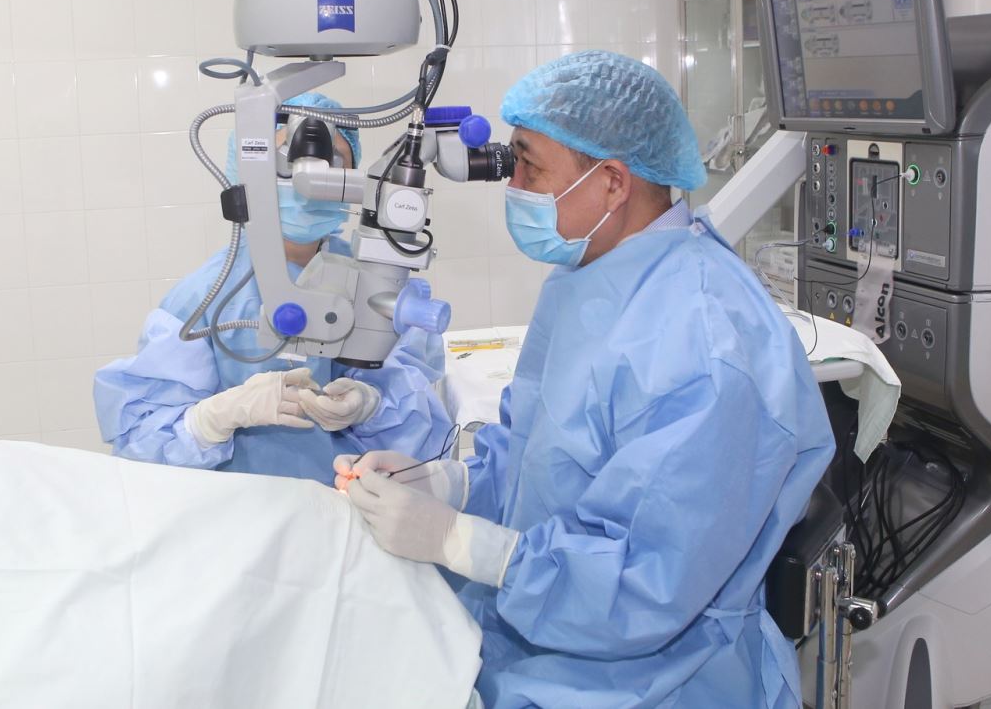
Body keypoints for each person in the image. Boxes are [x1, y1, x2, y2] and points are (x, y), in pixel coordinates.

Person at [335, 51, 835, 707]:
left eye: (529, 166)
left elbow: (646, 586)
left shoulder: (706, 342)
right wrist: (447, 485)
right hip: (538, 647)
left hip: (655, 683)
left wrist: (456, 541)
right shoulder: (588, 280)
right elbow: (534, 459)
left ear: (613, 183)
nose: (514, 186)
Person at [95, 92, 452, 485]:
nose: (310, 176)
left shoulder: (380, 287)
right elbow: (142, 447)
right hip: (238, 511)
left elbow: (423, 433)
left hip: (349, 506)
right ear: (248, 172)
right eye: (287, 160)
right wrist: (212, 419)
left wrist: (371, 405)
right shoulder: (204, 299)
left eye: (332, 159)